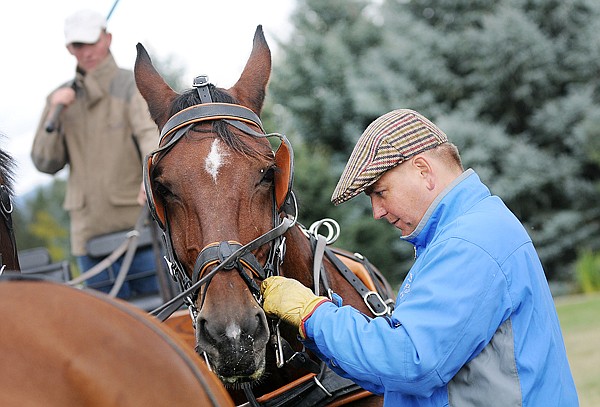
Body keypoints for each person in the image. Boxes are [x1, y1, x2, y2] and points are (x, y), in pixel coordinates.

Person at [261, 109, 578, 406]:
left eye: (380, 192)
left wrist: (313, 314)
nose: (377, 212)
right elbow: (390, 375)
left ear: (424, 171)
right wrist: (314, 331)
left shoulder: (468, 241)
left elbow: (410, 361)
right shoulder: (471, 228)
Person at [31, 9, 160, 300]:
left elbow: (149, 135)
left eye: (92, 42)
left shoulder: (131, 85)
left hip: (139, 233)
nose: (86, 51)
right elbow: (44, 162)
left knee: (163, 325)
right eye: (78, 45)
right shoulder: (60, 99)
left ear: (108, 38)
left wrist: (149, 172)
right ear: (69, 49)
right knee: (108, 339)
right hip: (89, 242)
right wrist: (53, 115)